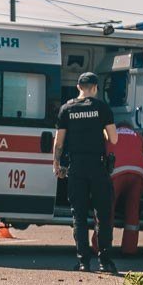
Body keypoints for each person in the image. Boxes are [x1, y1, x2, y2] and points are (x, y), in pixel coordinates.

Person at [54, 72, 119, 272]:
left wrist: (56, 164)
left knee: (79, 216)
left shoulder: (67, 109)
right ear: (95, 88)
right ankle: (105, 261)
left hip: (77, 167)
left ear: (78, 87)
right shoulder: (102, 108)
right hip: (97, 167)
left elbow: (59, 142)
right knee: (103, 216)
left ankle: (83, 261)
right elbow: (114, 139)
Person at [105, 117, 143, 256]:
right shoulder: (138, 136)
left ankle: (100, 246)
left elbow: (103, 154)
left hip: (117, 172)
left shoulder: (111, 134)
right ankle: (129, 249)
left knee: (107, 209)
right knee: (133, 211)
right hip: (138, 173)